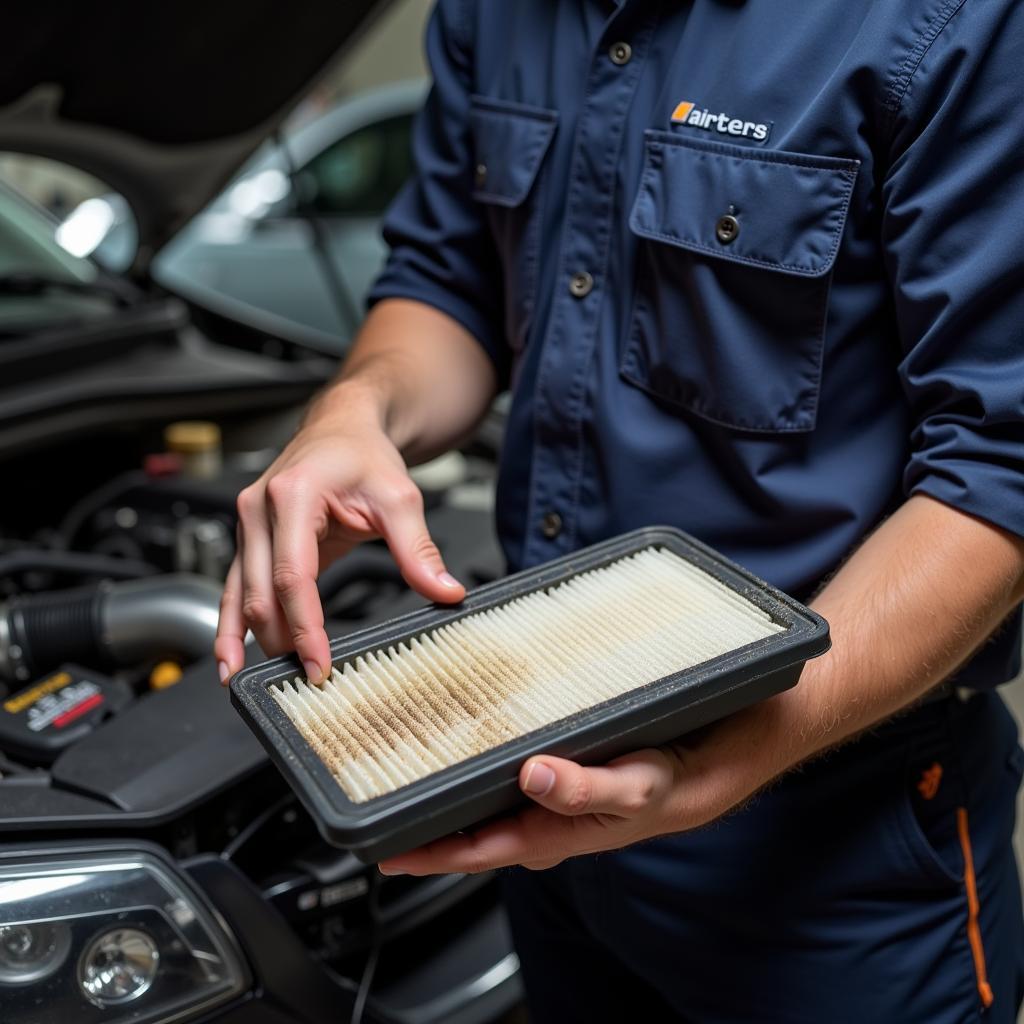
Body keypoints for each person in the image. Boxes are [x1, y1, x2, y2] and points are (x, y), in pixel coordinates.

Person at [216, 1, 1024, 1020]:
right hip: (536, 800)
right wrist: (354, 408)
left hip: (834, 852)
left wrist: (740, 757)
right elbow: (448, 278)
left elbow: (996, 467)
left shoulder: (953, 22)